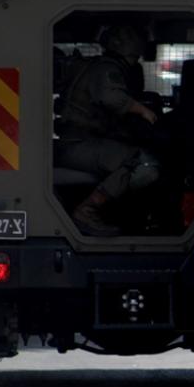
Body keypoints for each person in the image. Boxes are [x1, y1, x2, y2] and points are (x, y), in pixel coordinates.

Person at [55, 25, 160, 235]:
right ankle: (87, 209)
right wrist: (142, 111)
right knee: (143, 164)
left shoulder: (99, 66)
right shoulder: (107, 69)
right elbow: (111, 97)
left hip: (75, 143)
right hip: (79, 144)